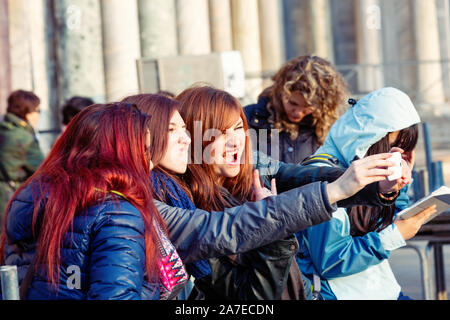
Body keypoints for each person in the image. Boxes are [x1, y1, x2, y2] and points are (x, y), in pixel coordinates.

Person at [0, 99, 399, 300]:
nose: (187, 139)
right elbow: (223, 237)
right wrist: (335, 193)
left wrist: (371, 186)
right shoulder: (123, 208)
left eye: (239, 129)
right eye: (170, 130)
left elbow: (293, 176)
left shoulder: (43, 195)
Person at [296, 87, 437, 300]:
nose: (399, 156)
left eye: (406, 150)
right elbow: (331, 261)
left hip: (380, 288)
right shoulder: (324, 176)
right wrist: (394, 236)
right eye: (396, 147)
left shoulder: (365, 170)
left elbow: (380, 225)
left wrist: (399, 185)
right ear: (371, 140)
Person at [244, 55, 349, 164]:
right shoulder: (250, 118)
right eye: (293, 103)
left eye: (308, 107)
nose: (298, 113)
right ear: (281, 91)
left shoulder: (333, 128)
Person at [0, 90, 44, 230]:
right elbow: (44, 170)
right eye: (38, 111)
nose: (38, 115)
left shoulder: (5, 129)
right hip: (10, 200)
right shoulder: (24, 138)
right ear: (28, 112)